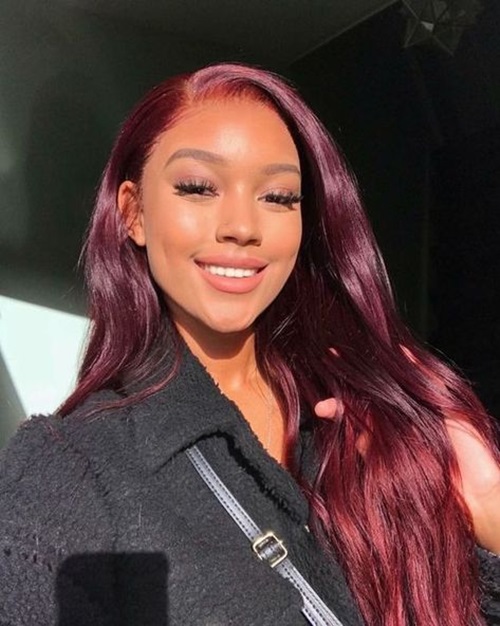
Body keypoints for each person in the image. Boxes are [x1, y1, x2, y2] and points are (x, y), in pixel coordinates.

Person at [0, 62, 499, 626]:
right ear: (133, 213)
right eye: (198, 188)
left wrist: (487, 504)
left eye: (279, 197)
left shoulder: (361, 417)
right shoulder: (67, 470)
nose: (242, 226)